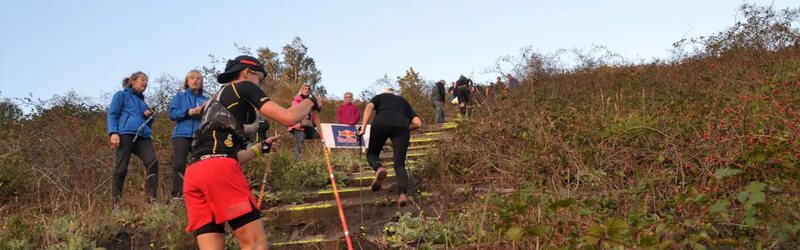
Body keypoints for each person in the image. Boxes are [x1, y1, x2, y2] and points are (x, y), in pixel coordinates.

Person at [183, 55, 320, 249]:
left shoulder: (213, 102)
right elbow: (289, 118)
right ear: (248, 72)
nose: (260, 84)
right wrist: (311, 102)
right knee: (255, 244)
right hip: (219, 170)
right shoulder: (243, 86)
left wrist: (261, 148)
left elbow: (220, 156)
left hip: (195, 174)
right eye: (260, 79)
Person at [357, 87, 423, 207]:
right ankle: (402, 194)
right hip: (401, 127)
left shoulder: (380, 97)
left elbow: (369, 107)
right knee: (399, 164)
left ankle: (379, 168)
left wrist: (363, 127)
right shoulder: (403, 101)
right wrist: (405, 128)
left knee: (372, 154)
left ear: (384, 93)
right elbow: (418, 123)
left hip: (381, 123)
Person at [107, 71, 159, 206]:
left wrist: (149, 116)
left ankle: (150, 199)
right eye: (142, 79)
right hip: (125, 134)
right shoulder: (121, 95)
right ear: (132, 81)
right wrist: (113, 132)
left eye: (146, 81)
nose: (145, 82)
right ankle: (115, 204)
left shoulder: (143, 102)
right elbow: (112, 114)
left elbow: (147, 121)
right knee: (121, 168)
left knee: (152, 162)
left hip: (143, 136)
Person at [167, 69, 209, 202]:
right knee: (179, 165)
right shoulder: (180, 97)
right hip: (181, 135)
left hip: (200, 135)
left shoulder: (207, 99)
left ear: (201, 82)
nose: (195, 80)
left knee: (200, 165)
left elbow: (212, 117)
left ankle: (199, 195)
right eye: (192, 78)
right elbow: (172, 114)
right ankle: (177, 196)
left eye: (198, 78)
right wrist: (189, 112)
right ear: (187, 82)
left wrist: (204, 111)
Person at [288, 84, 322, 160]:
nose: (307, 90)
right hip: (299, 125)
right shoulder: (296, 100)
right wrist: (297, 123)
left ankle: (317, 157)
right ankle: (298, 161)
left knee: (320, 136)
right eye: (305, 88)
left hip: (309, 125)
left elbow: (317, 109)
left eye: (308, 89)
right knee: (299, 142)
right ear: (302, 90)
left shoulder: (311, 102)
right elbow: (295, 112)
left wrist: (316, 124)